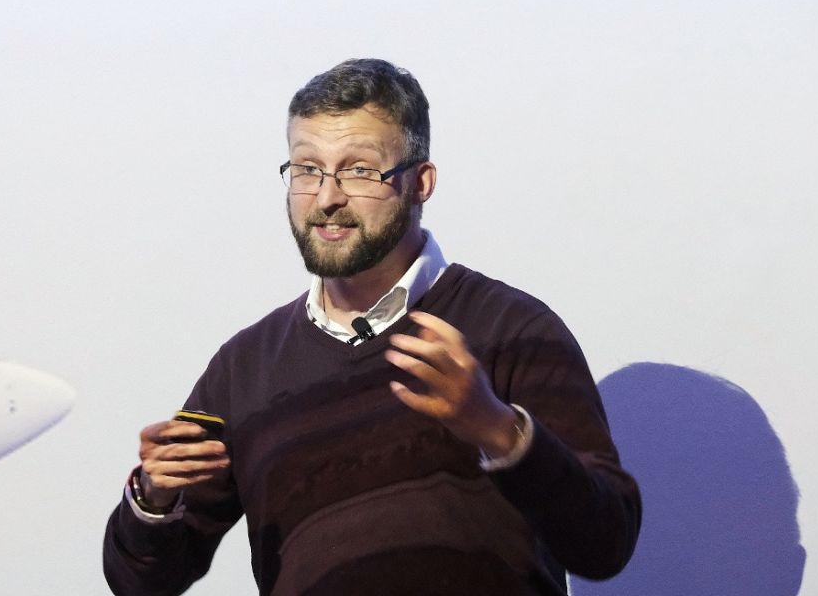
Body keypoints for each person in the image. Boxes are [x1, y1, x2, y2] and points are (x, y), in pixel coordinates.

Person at [103, 58, 641, 596]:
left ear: (420, 182)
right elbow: (141, 582)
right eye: (307, 169)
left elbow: (604, 542)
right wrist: (153, 500)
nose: (326, 197)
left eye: (359, 170)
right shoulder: (244, 367)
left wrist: (494, 427)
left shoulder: (513, 329)